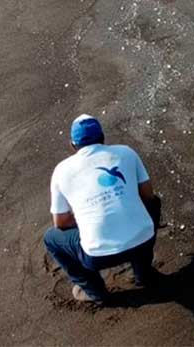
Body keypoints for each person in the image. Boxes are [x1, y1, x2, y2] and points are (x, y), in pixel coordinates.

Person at [44, 115, 160, 303]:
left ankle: (93, 290)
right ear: (102, 137)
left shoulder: (61, 170)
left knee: (51, 238)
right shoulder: (126, 152)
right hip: (144, 242)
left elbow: (61, 222)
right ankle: (144, 272)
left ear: (72, 145)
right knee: (154, 204)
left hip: (97, 256)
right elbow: (148, 195)